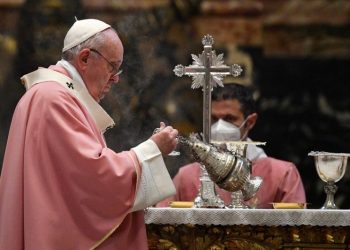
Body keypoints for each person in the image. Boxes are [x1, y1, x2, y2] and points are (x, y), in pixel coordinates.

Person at [0, 19, 179, 249]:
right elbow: (95, 178)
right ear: (84, 58)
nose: (116, 78)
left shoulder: (53, 95)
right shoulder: (53, 99)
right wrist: (152, 149)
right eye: (112, 67)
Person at [157, 83, 306, 208]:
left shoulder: (282, 174)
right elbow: (162, 225)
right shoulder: (187, 176)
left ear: (250, 122)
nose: (220, 126)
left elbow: (296, 233)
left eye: (229, 118)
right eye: (214, 119)